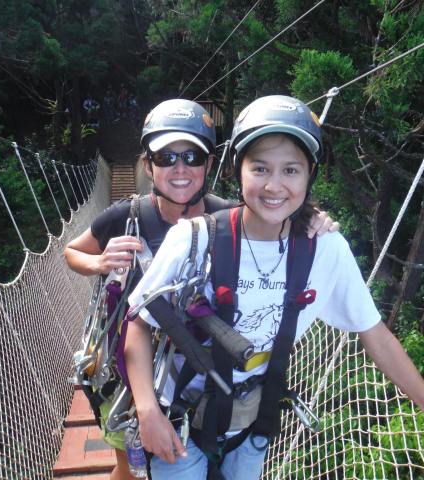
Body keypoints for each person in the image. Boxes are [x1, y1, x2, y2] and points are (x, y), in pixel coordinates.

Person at [124, 95, 424, 480]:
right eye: (261, 168)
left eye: (292, 170)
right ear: (238, 170)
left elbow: (375, 334)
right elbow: (139, 321)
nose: (275, 186)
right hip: (180, 421)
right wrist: (147, 410)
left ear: (310, 174)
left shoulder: (326, 249)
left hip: (253, 424)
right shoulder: (193, 240)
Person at [64, 98, 338, 480]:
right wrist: (99, 262)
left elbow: (276, 219)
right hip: (131, 362)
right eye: (166, 158)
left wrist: (310, 217)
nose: (180, 168)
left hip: (195, 373)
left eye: (192, 156)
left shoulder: (224, 219)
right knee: (129, 464)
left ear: (210, 163)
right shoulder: (125, 217)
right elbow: (71, 251)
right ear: (147, 165)